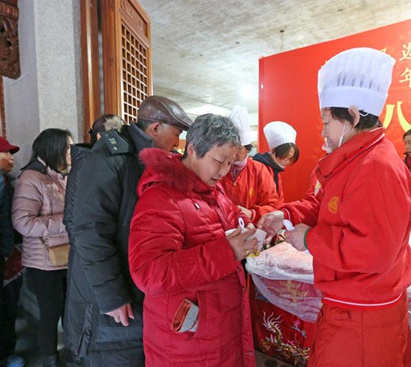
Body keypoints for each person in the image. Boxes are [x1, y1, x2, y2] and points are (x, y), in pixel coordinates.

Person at [258, 48, 411, 367]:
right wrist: (286, 214)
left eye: (327, 122)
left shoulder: (376, 168)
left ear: (355, 116)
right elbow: (322, 204)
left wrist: (309, 240)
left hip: (362, 315)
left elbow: (374, 251)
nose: (323, 132)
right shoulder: (353, 160)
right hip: (349, 305)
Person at [66, 96, 193, 367]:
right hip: (110, 300)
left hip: (135, 289)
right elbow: (89, 232)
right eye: (176, 133)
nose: (177, 142)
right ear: (155, 128)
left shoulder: (145, 159)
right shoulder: (111, 158)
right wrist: (112, 296)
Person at [129, 113, 256, 367]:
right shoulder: (162, 198)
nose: (223, 171)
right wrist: (226, 252)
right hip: (186, 339)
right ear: (193, 149)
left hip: (218, 328)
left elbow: (224, 220)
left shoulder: (213, 189)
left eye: (230, 163)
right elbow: (149, 273)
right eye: (219, 161)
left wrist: (250, 226)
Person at [62, 114, 124, 365]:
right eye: (118, 135)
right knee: (91, 344)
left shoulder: (103, 164)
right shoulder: (91, 166)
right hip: (93, 276)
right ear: (102, 137)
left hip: (100, 272)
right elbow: (82, 231)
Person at [11, 129, 73, 367]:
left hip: (66, 256)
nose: (71, 152)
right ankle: (50, 360)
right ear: (53, 147)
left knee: (70, 309)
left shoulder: (60, 176)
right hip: (43, 262)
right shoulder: (31, 178)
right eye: (67, 147)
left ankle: (71, 352)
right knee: (51, 312)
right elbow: (22, 223)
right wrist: (66, 221)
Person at [220, 105, 278, 223]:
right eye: (231, 148)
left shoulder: (259, 170)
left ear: (247, 149)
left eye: (239, 149)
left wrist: (252, 213)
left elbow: (273, 205)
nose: (233, 153)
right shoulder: (218, 168)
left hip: (252, 229)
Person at [0, 137, 25, 367]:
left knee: (9, 307)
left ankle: (7, 353)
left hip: (11, 257)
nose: (11, 158)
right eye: (6, 153)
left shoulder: (10, 182)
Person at [253, 121, 299, 205]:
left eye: (290, 158)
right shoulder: (258, 167)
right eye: (285, 156)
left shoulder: (275, 169)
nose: (287, 161)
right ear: (273, 150)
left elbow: (278, 199)